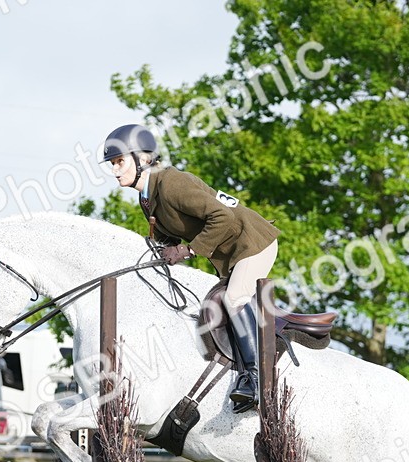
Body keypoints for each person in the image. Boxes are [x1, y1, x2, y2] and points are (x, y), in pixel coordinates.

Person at [100, 123, 279, 413]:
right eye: (112, 164)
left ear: (143, 159)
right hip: (229, 250)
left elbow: (222, 218)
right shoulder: (147, 196)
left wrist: (187, 250)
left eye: (119, 162)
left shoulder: (171, 183)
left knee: (234, 300)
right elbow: (165, 238)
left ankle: (257, 381)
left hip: (252, 243)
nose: (115, 170)